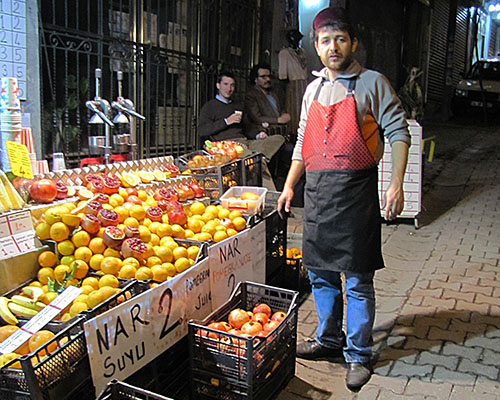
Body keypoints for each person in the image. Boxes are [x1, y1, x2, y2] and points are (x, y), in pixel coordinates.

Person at [277, 7, 410, 392]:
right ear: (316, 48)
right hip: (317, 194)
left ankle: (358, 353)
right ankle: (328, 338)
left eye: (340, 39)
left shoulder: (372, 83)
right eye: (324, 41)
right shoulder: (313, 89)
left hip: (355, 195)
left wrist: (395, 184)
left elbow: (399, 133)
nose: (332, 47)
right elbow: (302, 141)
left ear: (352, 43)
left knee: (356, 279)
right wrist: (289, 185)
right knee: (319, 273)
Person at [198, 70, 285, 190]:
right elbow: (202, 130)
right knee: (258, 163)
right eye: (225, 84)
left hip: (245, 142)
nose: (229, 88)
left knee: (278, 138)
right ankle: (270, 193)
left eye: (232, 85)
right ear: (218, 86)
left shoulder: (237, 106)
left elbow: (247, 127)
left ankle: (259, 157)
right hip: (228, 146)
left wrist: (258, 134)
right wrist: (226, 121)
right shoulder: (209, 107)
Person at [245, 63, 291, 136]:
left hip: (280, 131)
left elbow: (281, 108)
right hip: (264, 133)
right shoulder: (251, 95)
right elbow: (257, 118)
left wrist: (284, 114)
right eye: (263, 77)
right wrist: (278, 120)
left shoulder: (274, 92)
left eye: (269, 76)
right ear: (255, 79)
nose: (268, 79)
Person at [279, 29, 308, 139]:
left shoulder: (302, 52)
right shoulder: (284, 53)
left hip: (304, 83)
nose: (296, 41)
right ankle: (293, 135)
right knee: (294, 110)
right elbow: (283, 75)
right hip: (293, 84)